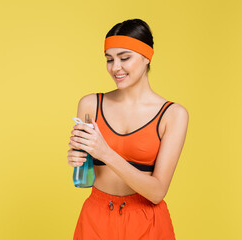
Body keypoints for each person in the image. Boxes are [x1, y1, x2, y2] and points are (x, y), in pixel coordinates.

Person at [67, 19, 189, 240]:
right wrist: (79, 159)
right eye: (109, 59)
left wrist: (104, 153)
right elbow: (84, 177)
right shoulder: (90, 105)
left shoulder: (173, 115)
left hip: (147, 222)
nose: (115, 68)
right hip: (96, 216)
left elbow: (157, 192)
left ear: (146, 57)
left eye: (125, 58)